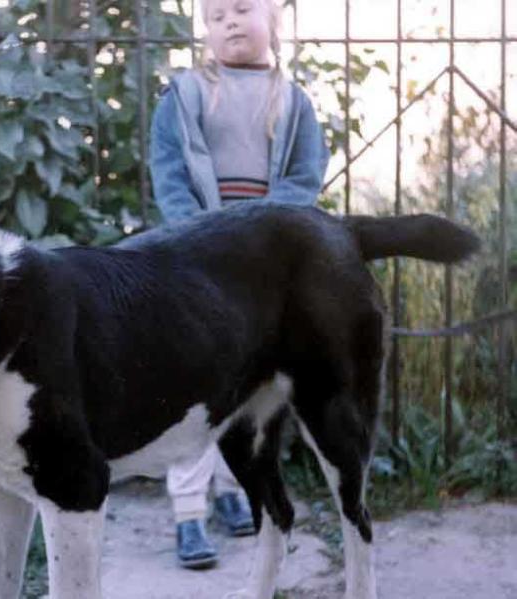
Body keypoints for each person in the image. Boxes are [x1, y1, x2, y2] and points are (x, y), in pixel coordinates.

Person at [148, 0, 330, 569]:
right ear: (205, 29)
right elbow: (170, 170)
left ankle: (233, 490)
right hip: (200, 260)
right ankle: (187, 514)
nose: (229, 21)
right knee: (193, 384)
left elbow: (304, 176)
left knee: (248, 383)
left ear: (272, 18)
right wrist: (200, 230)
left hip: (261, 265)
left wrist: (260, 231)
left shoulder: (293, 101)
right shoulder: (185, 94)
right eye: (216, 14)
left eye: (242, 9)